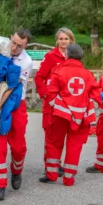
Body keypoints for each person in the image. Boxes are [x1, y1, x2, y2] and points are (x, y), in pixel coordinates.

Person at [39, 44, 102, 186]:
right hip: (80, 117)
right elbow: (96, 96)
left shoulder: (59, 71)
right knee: (75, 146)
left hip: (61, 115)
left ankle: (52, 175)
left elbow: (50, 93)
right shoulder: (88, 75)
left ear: (66, 55)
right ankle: (69, 178)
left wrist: (57, 107)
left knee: (54, 143)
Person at [0, 28, 33, 201]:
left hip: (15, 104)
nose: (14, 48)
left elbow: (11, 87)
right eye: (13, 42)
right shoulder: (1, 47)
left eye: (19, 46)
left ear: (25, 45)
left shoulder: (25, 61)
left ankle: (17, 170)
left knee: (18, 146)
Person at [34, 28, 75, 175]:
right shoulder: (51, 57)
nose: (64, 41)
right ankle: (50, 166)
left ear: (71, 40)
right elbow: (39, 78)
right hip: (52, 104)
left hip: (68, 104)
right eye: (61, 39)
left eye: (66, 39)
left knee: (63, 135)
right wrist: (45, 96)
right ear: (57, 40)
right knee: (51, 136)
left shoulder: (74, 57)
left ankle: (57, 163)